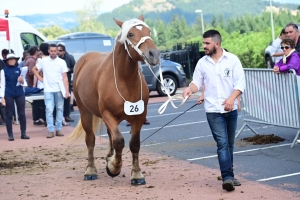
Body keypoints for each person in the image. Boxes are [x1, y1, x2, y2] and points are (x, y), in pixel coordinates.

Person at [182, 30, 245, 192]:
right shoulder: (202, 63)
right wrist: (190, 89)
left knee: (229, 143)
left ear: (217, 44)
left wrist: (231, 99)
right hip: (212, 110)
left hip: (230, 110)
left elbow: (240, 84)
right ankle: (227, 178)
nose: (204, 46)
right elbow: (196, 83)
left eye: (207, 43)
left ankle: (229, 174)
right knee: (222, 143)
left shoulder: (232, 60)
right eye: (203, 43)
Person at [32, 43, 70, 138]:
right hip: (48, 89)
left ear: (57, 51)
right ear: (48, 51)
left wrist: (67, 90)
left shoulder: (61, 62)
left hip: (59, 89)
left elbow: (65, 77)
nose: (53, 52)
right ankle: (50, 129)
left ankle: (58, 128)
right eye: (51, 51)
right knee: (49, 109)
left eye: (55, 51)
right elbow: (34, 69)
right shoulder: (44, 61)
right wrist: (40, 79)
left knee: (59, 108)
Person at [0, 53, 30, 141]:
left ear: (16, 60)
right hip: (8, 93)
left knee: (22, 113)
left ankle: (23, 133)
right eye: (10, 59)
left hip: (19, 93)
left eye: (13, 59)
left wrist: (22, 81)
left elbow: (25, 83)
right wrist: (2, 97)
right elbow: (2, 84)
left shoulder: (20, 69)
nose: (12, 60)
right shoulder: (3, 71)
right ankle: (10, 134)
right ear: (7, 61)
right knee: (9, 114)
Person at [25, 46, 45, 125]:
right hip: (34, 84)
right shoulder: (32, 60)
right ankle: (38, 118)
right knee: (38, 102)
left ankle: (38, 118)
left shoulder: (31, 60)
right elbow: (31, 72)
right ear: (36, 51)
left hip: (35, 84)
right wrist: (34, 84)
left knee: (37, 102)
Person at [57, 43, 75, 125]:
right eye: (57, 50)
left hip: (66, 81)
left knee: (67, 100)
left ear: (64, 51)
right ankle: (59, 117)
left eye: (60, 50)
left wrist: (69, 69)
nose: (58, 52)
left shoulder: (69, 58)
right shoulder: (55, 59)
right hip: (57, 82)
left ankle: (67, 115)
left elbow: (75, 67)